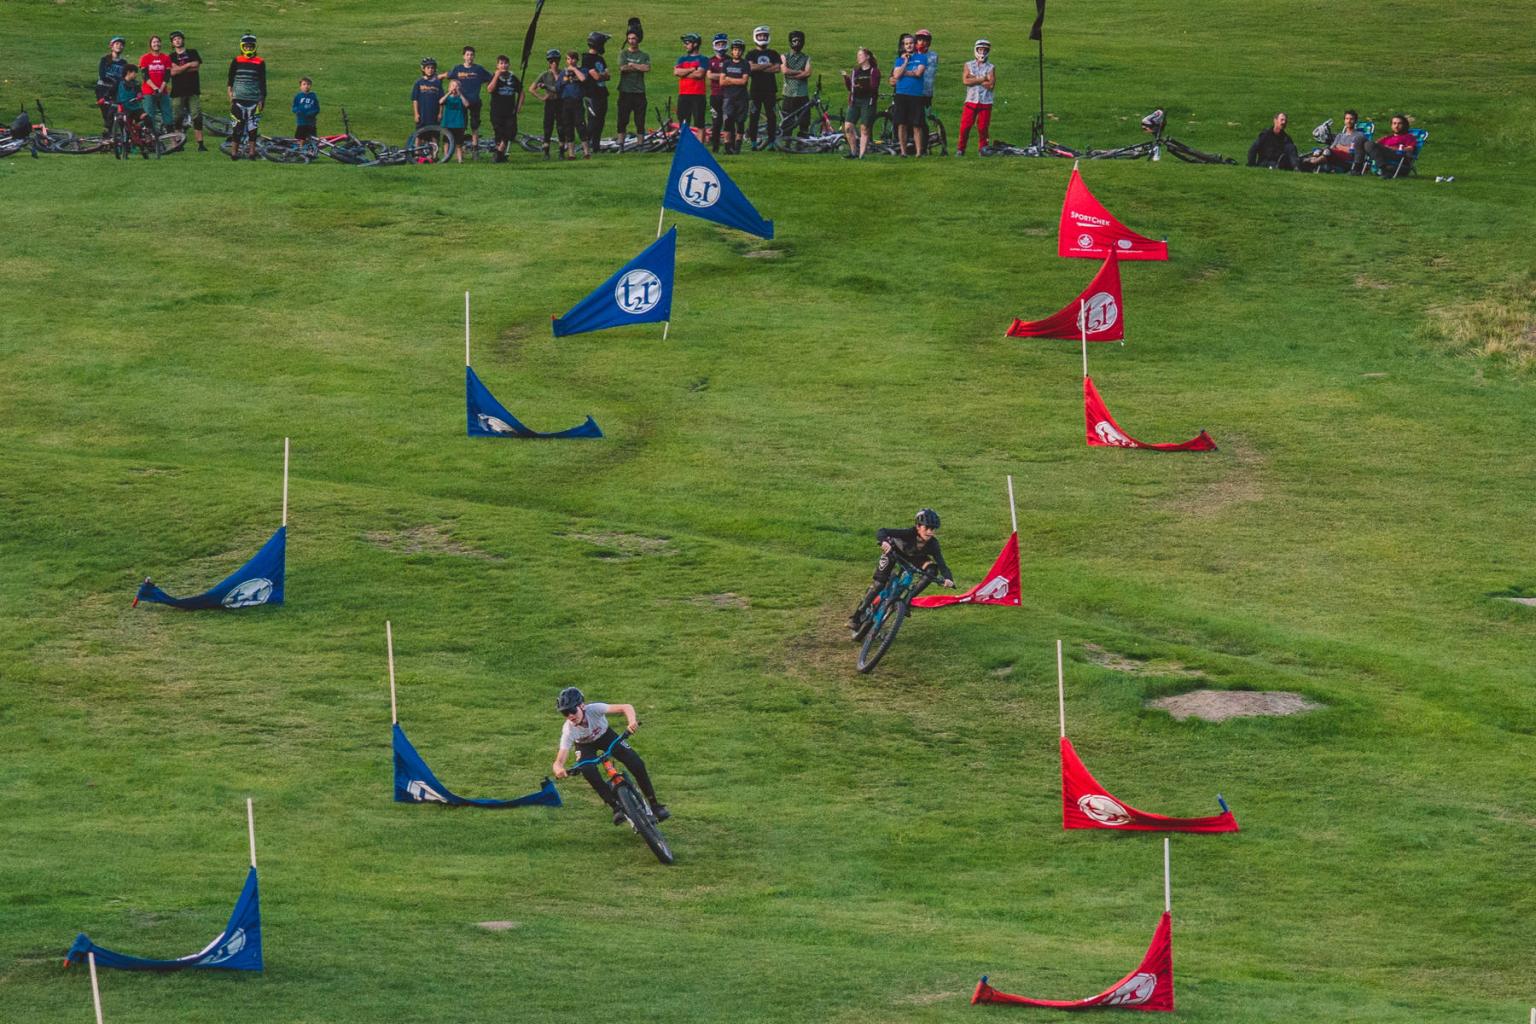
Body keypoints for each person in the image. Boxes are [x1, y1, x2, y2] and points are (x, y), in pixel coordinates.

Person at [551, 687, 669, 825]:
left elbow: (626, 707)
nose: (570, 716)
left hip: (606, 736)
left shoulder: (594, 709)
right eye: (565, 713)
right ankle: (616, 807)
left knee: (636, 763)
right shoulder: (568, 730)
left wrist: (631, 722)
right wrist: (558, 769)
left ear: (582, 706)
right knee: (587, 769)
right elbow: (559, 760)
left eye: (572, 710)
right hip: (585, 746)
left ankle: (655, 805)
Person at [848, 509, 955, 632]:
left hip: (914, 558)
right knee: (879, 585)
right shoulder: (908, 532)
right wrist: (884, 541)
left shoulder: (933, 544)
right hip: (893, 553)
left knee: (932, 570)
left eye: (933, 529)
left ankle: (907, 601)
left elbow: (942, 564)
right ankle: (856, 617)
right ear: (918, 526)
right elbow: (882, 531)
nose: (930, 532)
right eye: (927, 528)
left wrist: (948, 579)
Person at [226, 33, 266, 161]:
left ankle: (252, 153)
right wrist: (230, 94)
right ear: (242, 47)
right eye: (246, 46)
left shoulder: (260, 62)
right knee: (237, 128)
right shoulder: (236, 60)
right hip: (238, 99)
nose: (248, 48)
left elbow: (262, 82)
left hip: (254, 99)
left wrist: (262, 99)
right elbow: (230, 79)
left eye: (251, 46)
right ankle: (234, 153)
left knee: (252, 128)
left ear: (254, 47)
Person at [444, 47, 492, 152]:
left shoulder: (479, 69)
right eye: (467, 55)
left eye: (471, 55)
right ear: (463, 56)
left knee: (475, 125)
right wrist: (435, 78)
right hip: (461, 102)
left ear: (474, 56)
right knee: (461, 125)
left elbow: (491, 78)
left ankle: (475, 147)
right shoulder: (458, 68)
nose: (469, 57)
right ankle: (460, 147)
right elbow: (448, 75)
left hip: (475, 101)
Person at [890, 33, 929, 156]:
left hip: (916, 94)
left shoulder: (921, 58)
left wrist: (904, 73)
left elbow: (919, 73)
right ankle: (903, 151)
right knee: (902, 124)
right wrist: (906, 62)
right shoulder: (899, 60)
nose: (909, 46)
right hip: (901, 93)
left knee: (916, 124)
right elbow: (896, 75)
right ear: (903, 46)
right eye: (906, 44)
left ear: (914, 44)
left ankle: (918, 152)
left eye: (911, 43)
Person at [744, 26, 782, 149]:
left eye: (764, 36)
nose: (762, 38)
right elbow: (750, 68)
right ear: (755, 37)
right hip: (755, 90)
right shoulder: (751, 54)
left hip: (770, 89)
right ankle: (753, 142)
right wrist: (767, 65)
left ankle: (771, 143)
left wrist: (759, 67)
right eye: (760, 36)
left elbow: (777, 68)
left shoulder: (773, 53)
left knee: (771, 116)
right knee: (753, 116)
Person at [167, 31, 205, 151]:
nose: (177, 41)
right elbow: (172, 72)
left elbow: (197, 66)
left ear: (183, 40)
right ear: (172, 43)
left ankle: (200, 144)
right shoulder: (171, 56)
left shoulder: (192, 52)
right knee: (177, 117)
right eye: (174, 39)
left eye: (179, 38)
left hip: (193, 90)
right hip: (177, 91)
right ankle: (178, 143)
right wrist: (188, 65)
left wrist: (180, 68)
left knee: (196, 115)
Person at [956, 39, 995, 156]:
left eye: (985, 50)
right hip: (971, 100)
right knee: (965, 126)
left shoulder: (991, 67)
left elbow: (991, 85)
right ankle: (960, 149)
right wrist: (983, 78)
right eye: (980, 49)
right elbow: (965, 81)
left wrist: (975, 78)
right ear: (976, 50)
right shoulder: (968, 65)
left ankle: (983, 149)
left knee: (983, 127)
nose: (982, 52)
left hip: (985, 101)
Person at [616, 22, 650, 149]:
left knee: (640, 120)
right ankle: (621, 144)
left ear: (638, 39)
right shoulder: (623, 53)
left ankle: (640, 144)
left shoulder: (644, 55)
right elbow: (622, 68)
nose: (631, 41)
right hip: (625, 91)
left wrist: (632, 65)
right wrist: (637, 67)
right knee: (622, 119)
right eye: (629, 38)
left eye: (634, 38)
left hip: (639, 91)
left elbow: (646, 68)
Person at [1301, 109, 1368, 173]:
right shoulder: (1340, 135)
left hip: (1347, 159)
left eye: (1351, 119)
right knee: (1318, 150)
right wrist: (1338, 148)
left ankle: (1311, 164)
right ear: (1344, 121)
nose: (1349, 121)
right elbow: (1332, 147)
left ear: (1355, 121)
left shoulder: (1359, 135)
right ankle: (1307, 163)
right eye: (1347, 119)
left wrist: (1339, 147)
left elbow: (1352, 151)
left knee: (1327, 151)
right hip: (1333, 155)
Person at [841, 47, 879, 159]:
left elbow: (874, 87)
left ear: (867, 57)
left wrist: (862, 86)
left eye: (860, 55)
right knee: (848, 126)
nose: (858, 58)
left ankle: (861, 155)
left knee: (864, 128)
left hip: (868, 101)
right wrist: (846, 79)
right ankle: (853, 151)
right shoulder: (855, 71)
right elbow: (850, 88)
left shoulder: (874, 71)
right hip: (855, 101)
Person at [673, 33, 709, 142]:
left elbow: (700, 74)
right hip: (684, 94)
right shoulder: (682, 59)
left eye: (687, 43)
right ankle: (685, 144)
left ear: (695, 44)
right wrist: (691, 69)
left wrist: (684, 74)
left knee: (699, 122)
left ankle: (699, 147)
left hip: (698, 94)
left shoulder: (703, 59)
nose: (685, 45)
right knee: (683, 122)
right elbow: (676, 72)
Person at [580, 32, 611, 157]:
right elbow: (597, 76)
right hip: (592, 94)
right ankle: (587, 146)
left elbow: (607, 76)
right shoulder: (587, 58)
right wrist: (602, 75)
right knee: (593, 121)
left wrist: (602, 76)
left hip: (602, 93)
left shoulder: (600, 58)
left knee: (600, 121)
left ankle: (596, 146)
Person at [487, 55, 522, 163]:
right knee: (499, 133)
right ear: (497, 65)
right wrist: (496, 76)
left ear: (509, 64)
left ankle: (498, 153)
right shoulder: (494, 76)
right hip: (497, 110)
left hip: (510, 111)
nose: (504, 65)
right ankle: (500, 155)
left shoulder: (513, 77)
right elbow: (489, 89)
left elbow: (521, 93)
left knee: (510, 132)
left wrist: (518, 106)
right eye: (501, 63)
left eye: (506, 63)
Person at [718, 39, 750, 155]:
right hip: (728, 97)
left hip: (742, 97)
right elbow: (722, 81)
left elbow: (744, 81)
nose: (737, 52)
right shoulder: (727, 63)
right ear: (732, 51)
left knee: (740, 122)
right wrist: (736, 80)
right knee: (728, 121)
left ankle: (737, 146)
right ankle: (727, 146)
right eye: (735, 50)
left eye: (739, 50)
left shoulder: (745, 64)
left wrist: (729, 79)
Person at [530, 48, 562, 157]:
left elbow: (559, 87)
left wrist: (554, 73)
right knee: (548, 126)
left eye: (556, 61)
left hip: (560, 102)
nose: (553, 63)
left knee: (561, 126)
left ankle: (562, 149)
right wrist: (542, 97)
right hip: (550, 102)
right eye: (551, 61)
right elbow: (531, 89)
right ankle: (546, 149)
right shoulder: (544, 75)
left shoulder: (562, 73)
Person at [139, 35, 174, 133]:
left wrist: (161, 88)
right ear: (150, 44)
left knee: (168, 115)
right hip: (148, 91)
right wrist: (155, 88)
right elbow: (145, 76)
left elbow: (167, 75)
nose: (156, 44)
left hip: (163, 91)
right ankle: (151, 139)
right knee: (149, 115)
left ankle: (173, 140)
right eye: (154, 42)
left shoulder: (166, 58)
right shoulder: (145, 58)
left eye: (158, 42)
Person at [780, 30, 812, 137]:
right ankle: (786, 144)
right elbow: (784, 71)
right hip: (789, 94)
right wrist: (800, 73)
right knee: (787, 122)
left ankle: (801, 144)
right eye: (795, 41)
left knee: (804, 122)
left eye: (799, 41)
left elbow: (808, 73)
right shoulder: (784, 56)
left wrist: (792, 74)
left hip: (802, 94)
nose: (797, 43)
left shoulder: (806, 58)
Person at [115, 64, 151, 157]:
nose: (136, 75)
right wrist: (105, 99)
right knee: (127, 128)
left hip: (136, 107)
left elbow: (139, 92)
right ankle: (126, 149)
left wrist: (139, 95)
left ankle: (147, 135)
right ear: (128, 72)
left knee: (147, 118)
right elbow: (111, 91)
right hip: (125, 108)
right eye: (134, 73)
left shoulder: (136, 83)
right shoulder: (119, 83)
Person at [557, 51, 588, 159]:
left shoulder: (582, 70)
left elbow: (583, 79)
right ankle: (571, 153)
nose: (571, 61)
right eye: (568, 59)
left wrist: (574, 69)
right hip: (566, 102)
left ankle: (586, 152)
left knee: (581, 126)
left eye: (573, 59)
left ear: (576, 60)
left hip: (577, 101)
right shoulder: (563, 73)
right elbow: (558, 87)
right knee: (568, 127)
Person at [95, 36, 129, 133]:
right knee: (106, 113)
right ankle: (108, 134)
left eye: (121, 44)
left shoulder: (123, 62)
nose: (119, 46)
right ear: (112, 46)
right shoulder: (105, 59)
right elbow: (102, 75)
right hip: (103, 89)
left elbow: (124, 77)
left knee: (116, 110)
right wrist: (115, 81)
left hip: (115, 90)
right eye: (117, 44)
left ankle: (118, 135)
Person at [706, 33, 729, 150]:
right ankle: (715, 147)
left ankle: (728, 145)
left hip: (729, 95)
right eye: (718, 44)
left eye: (723, 43)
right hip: (715, 95)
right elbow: (709, 75)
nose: (721, 46)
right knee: (716, 122)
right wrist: (725, 76)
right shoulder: (711, 61)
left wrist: (719, 76)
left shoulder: (730, 60)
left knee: (728, 121)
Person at [440, 78, 468, 162]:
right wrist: (449, 93)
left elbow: (466, 104)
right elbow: (440, 102)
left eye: (456, 86)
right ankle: (446, 157)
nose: (454, 88)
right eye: (452, 86)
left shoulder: (460, 98)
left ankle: (460, 159)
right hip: (448, 123)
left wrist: (460, 94)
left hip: (458, 123)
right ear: (449, 87)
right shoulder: (447, 98)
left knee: (459, 143)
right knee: (446, 141)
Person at [411, 57, 443, 130]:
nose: (430, 70)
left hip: (434, 114)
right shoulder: (418, 83)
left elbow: (441, 99)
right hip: (422, 114)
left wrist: (440, 113)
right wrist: (416, 114)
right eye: (428, 68)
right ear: (423, 69)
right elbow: (415, 99)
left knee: (434, 134)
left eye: (432, 68)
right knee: (419, 135)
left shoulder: (437, 83)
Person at [914, 29, 938, 123]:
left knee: (923, 117)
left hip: (926, 90)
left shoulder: (933, 56)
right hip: (914, 90)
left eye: (925, 41)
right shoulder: (912, 55)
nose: (922, 43)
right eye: (920, 40)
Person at [292, 76, 319, 142]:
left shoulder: (313, 96)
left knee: (312, 139)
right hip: (301, 122)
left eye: (308, 84)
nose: (306, 86)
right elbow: (294, 107)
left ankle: (310, 150)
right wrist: (297, 111)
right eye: (304, 84)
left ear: (310, 86)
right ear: (300, 86)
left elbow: (317, 108)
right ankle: (300, 150)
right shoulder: (298, 96)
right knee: (299, 139)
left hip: (311, 123)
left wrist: (312, 113)